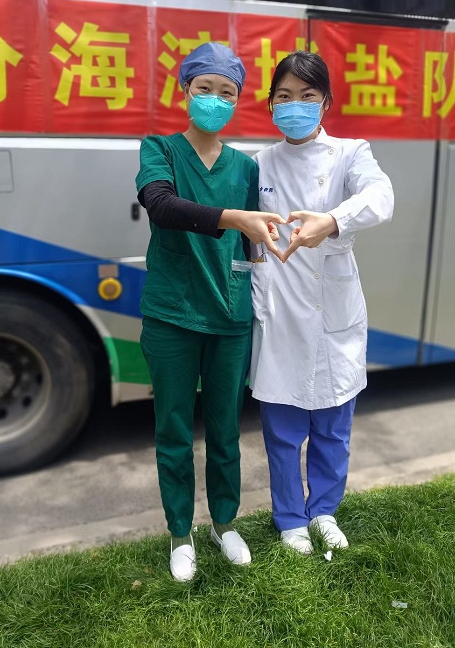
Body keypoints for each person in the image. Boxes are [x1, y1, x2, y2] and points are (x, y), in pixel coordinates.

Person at [136, 42, 285, 582]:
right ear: (185, 90)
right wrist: (234, 218)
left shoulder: (245, 167)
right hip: (172, 314)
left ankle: (225, 523)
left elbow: (252, 245)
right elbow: (162, 206)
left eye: (227, 92)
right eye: (205, 89)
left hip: (229, 315)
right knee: (174, 429)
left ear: (237, 100)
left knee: (225, 430)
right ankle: (181, 533)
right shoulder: (160, 149)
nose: (215, 100)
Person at [250, 51, 394, 555]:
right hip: (280, 310)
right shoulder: (258, 164)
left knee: (334, 427)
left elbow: (380, 196)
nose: (295, 105)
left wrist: (332, 221)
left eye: (307, 96)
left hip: (333, 307)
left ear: (325, 102)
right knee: (283, 431)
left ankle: (325, 511)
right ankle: (291, 518)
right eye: (284, 96)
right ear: (271, 104)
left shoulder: (351, 154)